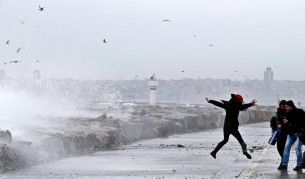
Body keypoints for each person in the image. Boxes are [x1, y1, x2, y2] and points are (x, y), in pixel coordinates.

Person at [205, 94, 257, 159]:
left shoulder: (227, 105)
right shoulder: (237, 106)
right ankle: (244, 151)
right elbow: (243, 107)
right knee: (242, 142)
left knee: (225, 140)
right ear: (239, 101)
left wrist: (210, 101)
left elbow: (219, 104)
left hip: (226, 126)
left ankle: (214, 152)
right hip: (233, 127)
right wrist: (251, 104)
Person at [278, 100, 305, 171]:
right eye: (285, 106)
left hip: (299, 134)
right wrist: (285, 122)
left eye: (287, 106)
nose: (285, 108)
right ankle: (284, 164)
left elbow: (301, 122)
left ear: (291, 106)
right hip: (291, 134)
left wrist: (303, 130)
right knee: (286, 147)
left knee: (297, 148)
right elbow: (286, 123)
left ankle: (299, 165)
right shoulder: (287, 114)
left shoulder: (300, 112)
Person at [274, 100, 289, 169]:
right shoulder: (278, 111)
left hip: (286, 132)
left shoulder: (288, 112)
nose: (282, 107)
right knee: (279, 147)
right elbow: (277, 119)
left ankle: (283, 163)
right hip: (279, 131)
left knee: (284, 147)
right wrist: (278, 124)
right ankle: (283, 160)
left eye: (283, 106)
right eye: (281, 106)